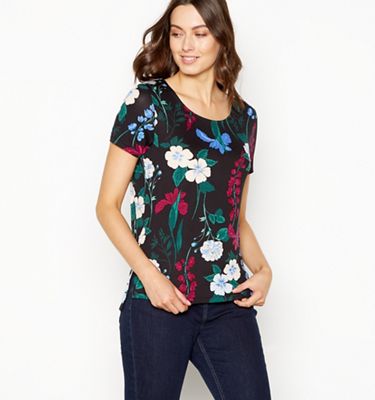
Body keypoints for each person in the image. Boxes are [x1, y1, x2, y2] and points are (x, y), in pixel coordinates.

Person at [96, 1, 273, 399]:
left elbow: (234, 217)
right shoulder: (147, 103)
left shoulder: (244, 118)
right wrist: (151, 278)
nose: (185, 45)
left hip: (228, 302)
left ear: (221, 38)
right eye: (177, 33)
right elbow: (106, 206)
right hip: (158, 302)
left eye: (199, 34)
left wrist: (263, 270)